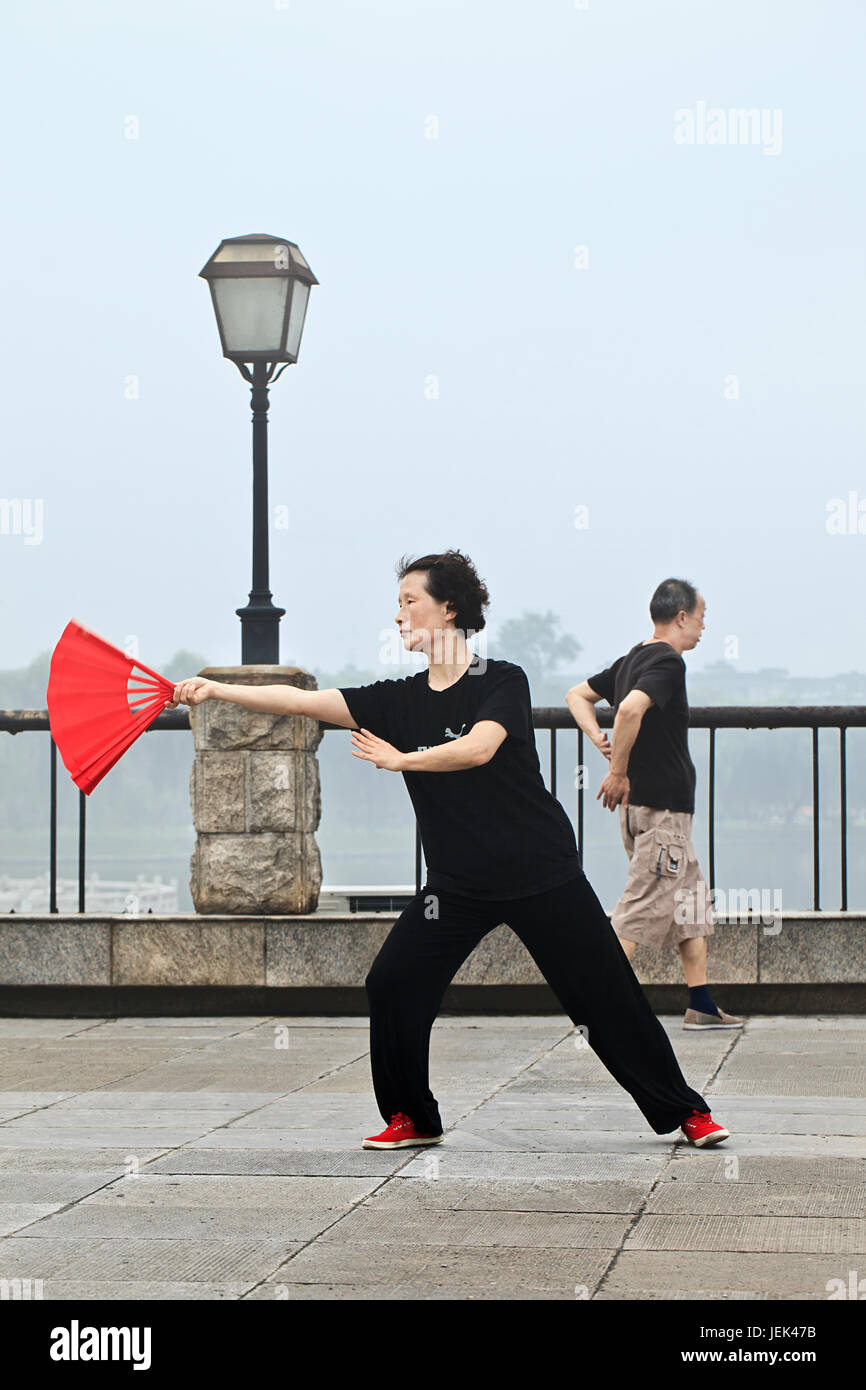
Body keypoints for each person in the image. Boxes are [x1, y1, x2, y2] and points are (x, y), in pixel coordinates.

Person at [167, 551, 730, 1149]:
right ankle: (412, 1115)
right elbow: (304, 702)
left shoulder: (502, 680)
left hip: (541, 870)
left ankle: (686, 1111)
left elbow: (481, 747)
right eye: (398, 605)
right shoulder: (399, 700)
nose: (400, 615)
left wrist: (403, 759)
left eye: (411, 602)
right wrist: (214, 689)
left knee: (606, 996)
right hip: (457, 884)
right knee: (393, 981)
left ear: (450, 608)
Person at [565, 577, 743, 1031]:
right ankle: (598, 1009)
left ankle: (700, 1005)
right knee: (639, 908)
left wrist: (597, 738)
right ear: (681, 616)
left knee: (691, 907)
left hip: (654, 813)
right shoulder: (666, 661)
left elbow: (576, 696)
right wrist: (617, 769)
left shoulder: (630, 660)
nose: (703, 629)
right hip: (660, 812)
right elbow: (629, 711)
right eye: (701, 619)